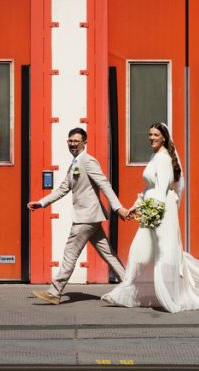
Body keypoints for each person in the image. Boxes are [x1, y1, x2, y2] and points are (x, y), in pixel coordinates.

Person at [101, 122, 199, 313]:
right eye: (150, 134)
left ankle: (168, 295)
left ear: (164, 138)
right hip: (152, 208)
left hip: (159, 211)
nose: (151, 138)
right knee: (142, 250)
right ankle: (129, 291)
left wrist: (154, 212)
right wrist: (136, 207)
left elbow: (161, 189)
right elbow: (149, 188)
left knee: (163, 252)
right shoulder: (155, 156)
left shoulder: (164, 159)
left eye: (156, 135)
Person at [27, 127, 131, 305]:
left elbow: (104, 185)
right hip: (91, 218)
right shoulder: (75, 163)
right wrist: (42, 203)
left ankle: (55, 291)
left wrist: (118, 208)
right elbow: (62, 189)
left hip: (85, 218)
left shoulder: (88, 161)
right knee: (108, 254)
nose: (73, 144)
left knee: (70, 253)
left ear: (85, 142)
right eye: (70, 141)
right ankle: (131, 286)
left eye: (76, 141)